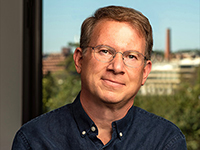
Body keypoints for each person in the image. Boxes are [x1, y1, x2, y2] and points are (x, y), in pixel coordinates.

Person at [12, 5, 187, 150]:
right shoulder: (33, 140)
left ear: (145, 72)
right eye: (105, 51)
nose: (117, 67)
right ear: (79, 60)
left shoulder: (166, 142)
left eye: (131, 56)